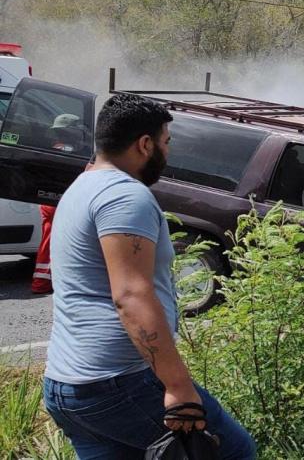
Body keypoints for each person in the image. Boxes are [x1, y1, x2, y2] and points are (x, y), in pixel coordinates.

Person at [42, 94, 256, 458]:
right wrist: (177, 385)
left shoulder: (81, 188)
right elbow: (130, 295)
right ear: (145, 144)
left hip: (66, 385)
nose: (167, 152)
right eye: (166, 142)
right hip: (118, 382)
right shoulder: (125, 196)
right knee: (234, 452)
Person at [31, 114, 85, 294]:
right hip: (58, 200)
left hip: (49, 200)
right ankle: (42, 282)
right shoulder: (67, 149)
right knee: (55, 241)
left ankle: (44, 280)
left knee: (50, 239)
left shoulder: (55, 147)